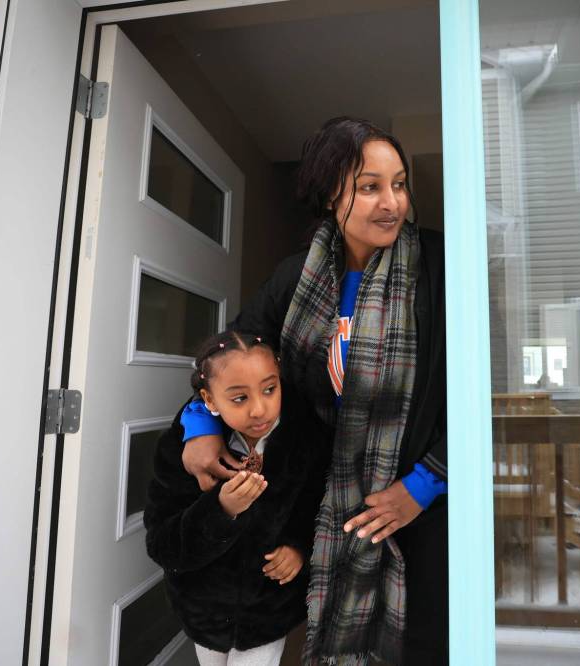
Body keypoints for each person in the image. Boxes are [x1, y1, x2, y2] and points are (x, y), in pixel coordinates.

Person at [181, 117, 448, 665]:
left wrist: (424, 485)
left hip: (413, 505)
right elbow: (227, 359)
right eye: (369, 186)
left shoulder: (438, 268)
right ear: (332, 195)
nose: (391, 202)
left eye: (399, 184)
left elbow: (478, 392)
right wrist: (201, 430)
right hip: (315, 499)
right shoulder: (294, 278)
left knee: (415, 643)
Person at [144, 330, 327, 666]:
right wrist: (220, 510)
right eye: (239, 398)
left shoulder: (306, 438)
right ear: (209, 400)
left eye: (270, 389)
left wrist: (298, 548)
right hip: (204, 612)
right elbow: (161, 544)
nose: (260, 409)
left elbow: (318, 509)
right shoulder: (180, 450)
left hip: (267, 613)